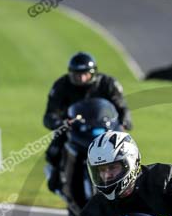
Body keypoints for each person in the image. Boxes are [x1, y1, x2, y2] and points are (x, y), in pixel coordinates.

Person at [43, 52, 132, 192]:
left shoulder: (107, 83)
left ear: (93, 72)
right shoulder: (61, 85)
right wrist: (59, 123)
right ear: (70, 73)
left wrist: (125, 121)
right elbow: (50, 113)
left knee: (128, 149)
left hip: (105, 128)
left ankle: (132, 180)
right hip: (75, 129)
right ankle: (57, 179)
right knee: (53, 152)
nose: (81, 78)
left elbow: (121, 106)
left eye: (85, 73)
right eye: (77, 74)